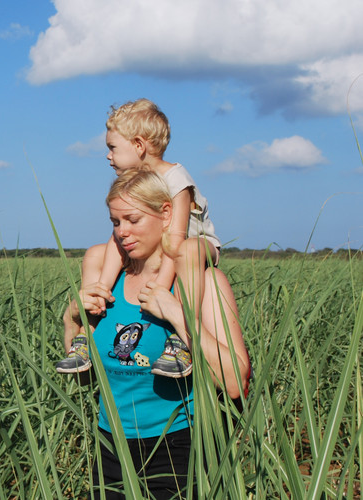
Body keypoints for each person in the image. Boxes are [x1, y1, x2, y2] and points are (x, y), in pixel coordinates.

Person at [60, 169, 250, 499]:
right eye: (115, 222)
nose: (122, 232)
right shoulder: (107, 284)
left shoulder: (202, 282)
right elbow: (83, 377)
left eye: (132, 219)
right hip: (111, 446)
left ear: (165, 214)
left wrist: (178, 315)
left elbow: (235, 382)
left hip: (180, 449)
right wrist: (69, 320)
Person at [56, 99, 220, 378]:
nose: (108, 156)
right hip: (165, 247)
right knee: (97, 253)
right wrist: (102, 289)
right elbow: (115, 239)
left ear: (139, 145)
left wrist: (159, 288)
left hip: (196, 244)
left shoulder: (175, 179)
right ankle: (85, 335)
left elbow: (176, 239)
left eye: (112, 147)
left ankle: (181, 341)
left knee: (188, 253)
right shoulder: (136, 181)